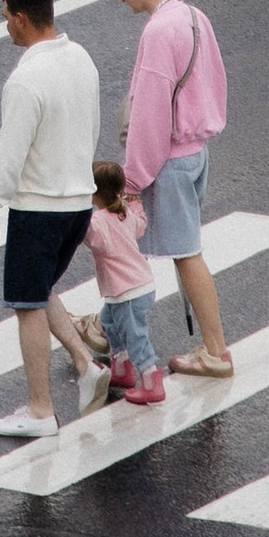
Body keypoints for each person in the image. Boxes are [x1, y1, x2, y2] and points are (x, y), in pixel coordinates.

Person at [0, 0, 103, 441]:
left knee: (26, 304)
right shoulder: (81, 58)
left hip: (39, 208)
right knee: (38, 289)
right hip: (78, 203)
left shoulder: (25, 80)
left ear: (21, 18)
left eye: (6, 19)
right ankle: (86, 365)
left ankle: (41, 410)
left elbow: (10, 156)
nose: (6, 28)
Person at [106, 0, 232, 377]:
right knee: (181, 250)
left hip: (171, 161)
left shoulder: (158, 31)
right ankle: (113, 332)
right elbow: (213, 79)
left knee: (183, 253)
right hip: (197, 151)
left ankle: (215, 351)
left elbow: (151, 110)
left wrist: (132, 178)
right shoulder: (193, 15)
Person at [86, 159, 166, 407]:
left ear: (94, 192)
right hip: (134, 287)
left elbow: (93, 240)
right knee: (109, 323)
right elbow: (140, 227)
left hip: (126, 291)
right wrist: (136, 204)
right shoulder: (126, 212)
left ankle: (152, 381)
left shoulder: (98, 222)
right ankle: (122, 369)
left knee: (135, 336)